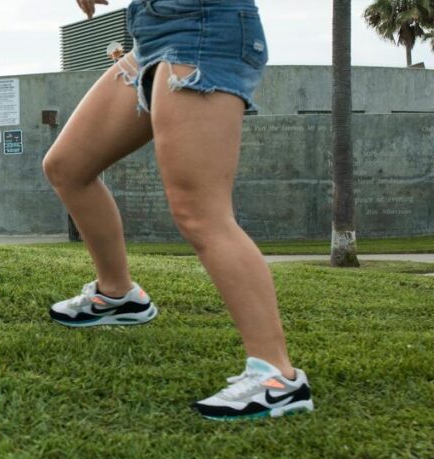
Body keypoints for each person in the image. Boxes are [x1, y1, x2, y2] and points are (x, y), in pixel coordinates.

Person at [45, 0, 314, 420]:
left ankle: (278, 378)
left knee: (199, 212)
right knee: (67, 166)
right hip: (152, 34)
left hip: (202, 30)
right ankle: (119, 295)